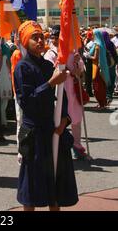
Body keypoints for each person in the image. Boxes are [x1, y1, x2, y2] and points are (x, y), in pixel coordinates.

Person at [14, 20, 78, 211]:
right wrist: (49, 83)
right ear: (26, 41)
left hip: (53, 130)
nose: (40, 40)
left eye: (42, 36)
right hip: (34, 133)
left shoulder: (49, 65)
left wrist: (64, 119)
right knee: (31, 190)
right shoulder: (22, 68)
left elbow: (62, 96)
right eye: (35, 37)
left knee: (55, 185)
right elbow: (26, 102)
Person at [44, 26, 88, 160]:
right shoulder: (50, 54)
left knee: (76, 119)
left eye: (57, 37)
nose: (55, 40)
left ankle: (76, 145)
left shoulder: (72, 52)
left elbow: (80, 72)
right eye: (53, 37)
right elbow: (49, 73)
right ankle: (57, 146)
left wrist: (76, 64)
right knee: (59, 119)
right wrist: (65, 72)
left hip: (73, 91)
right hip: (58, 91)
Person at [89, 29, 111, 109]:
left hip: (97, 68)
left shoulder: (97, 45)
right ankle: (102, 103)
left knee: (97, 87)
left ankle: (101, 104)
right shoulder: (102, 44)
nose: (92, 36)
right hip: (101, 68)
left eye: (93, 35)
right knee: (102, 86)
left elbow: (95, 57)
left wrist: (87, 56)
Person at [102, 31, 118, 104]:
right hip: (112, 62)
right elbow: (115, 52)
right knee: (112, 77)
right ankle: (110, 94)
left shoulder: (102, 44)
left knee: (106, 78)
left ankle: (107, 94)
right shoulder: (111, 43)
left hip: (105, 64)